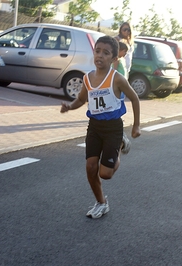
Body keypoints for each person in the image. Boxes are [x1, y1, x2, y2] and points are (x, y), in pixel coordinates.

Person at [60, 36, 141, 219]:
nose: (100, 56)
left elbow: (135, 98)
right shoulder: (87, 78)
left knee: (105, 174)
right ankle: (101, 203)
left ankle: (120, 144)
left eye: (106, 53)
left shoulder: (117, 79)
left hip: (113, 128)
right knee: (90, 167)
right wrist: (69, 107)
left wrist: (136, 126)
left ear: (114, 59)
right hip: (94, 127)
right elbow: (82, 99)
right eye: (98, 51)